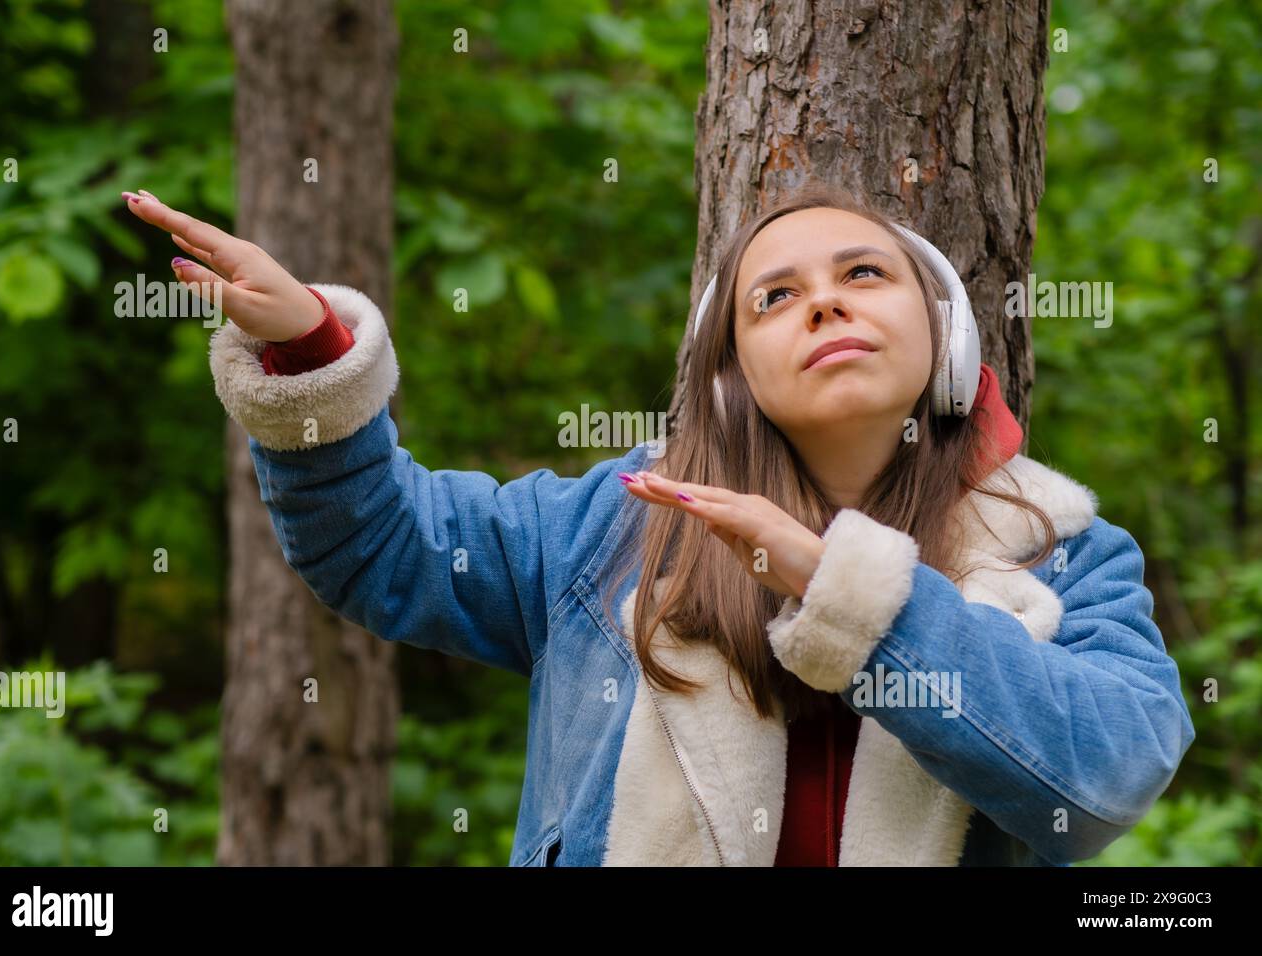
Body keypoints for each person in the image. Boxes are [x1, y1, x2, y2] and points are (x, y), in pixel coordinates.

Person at [121, 180, 1195, 867]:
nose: (822, 303)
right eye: (773, 297)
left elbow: (1100, 784)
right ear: (731, 378)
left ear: (947, 335)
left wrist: (861, 605)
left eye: (862, 274)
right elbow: (385, 544)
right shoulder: (616, 524)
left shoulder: (1062, 553)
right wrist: (310, 350)